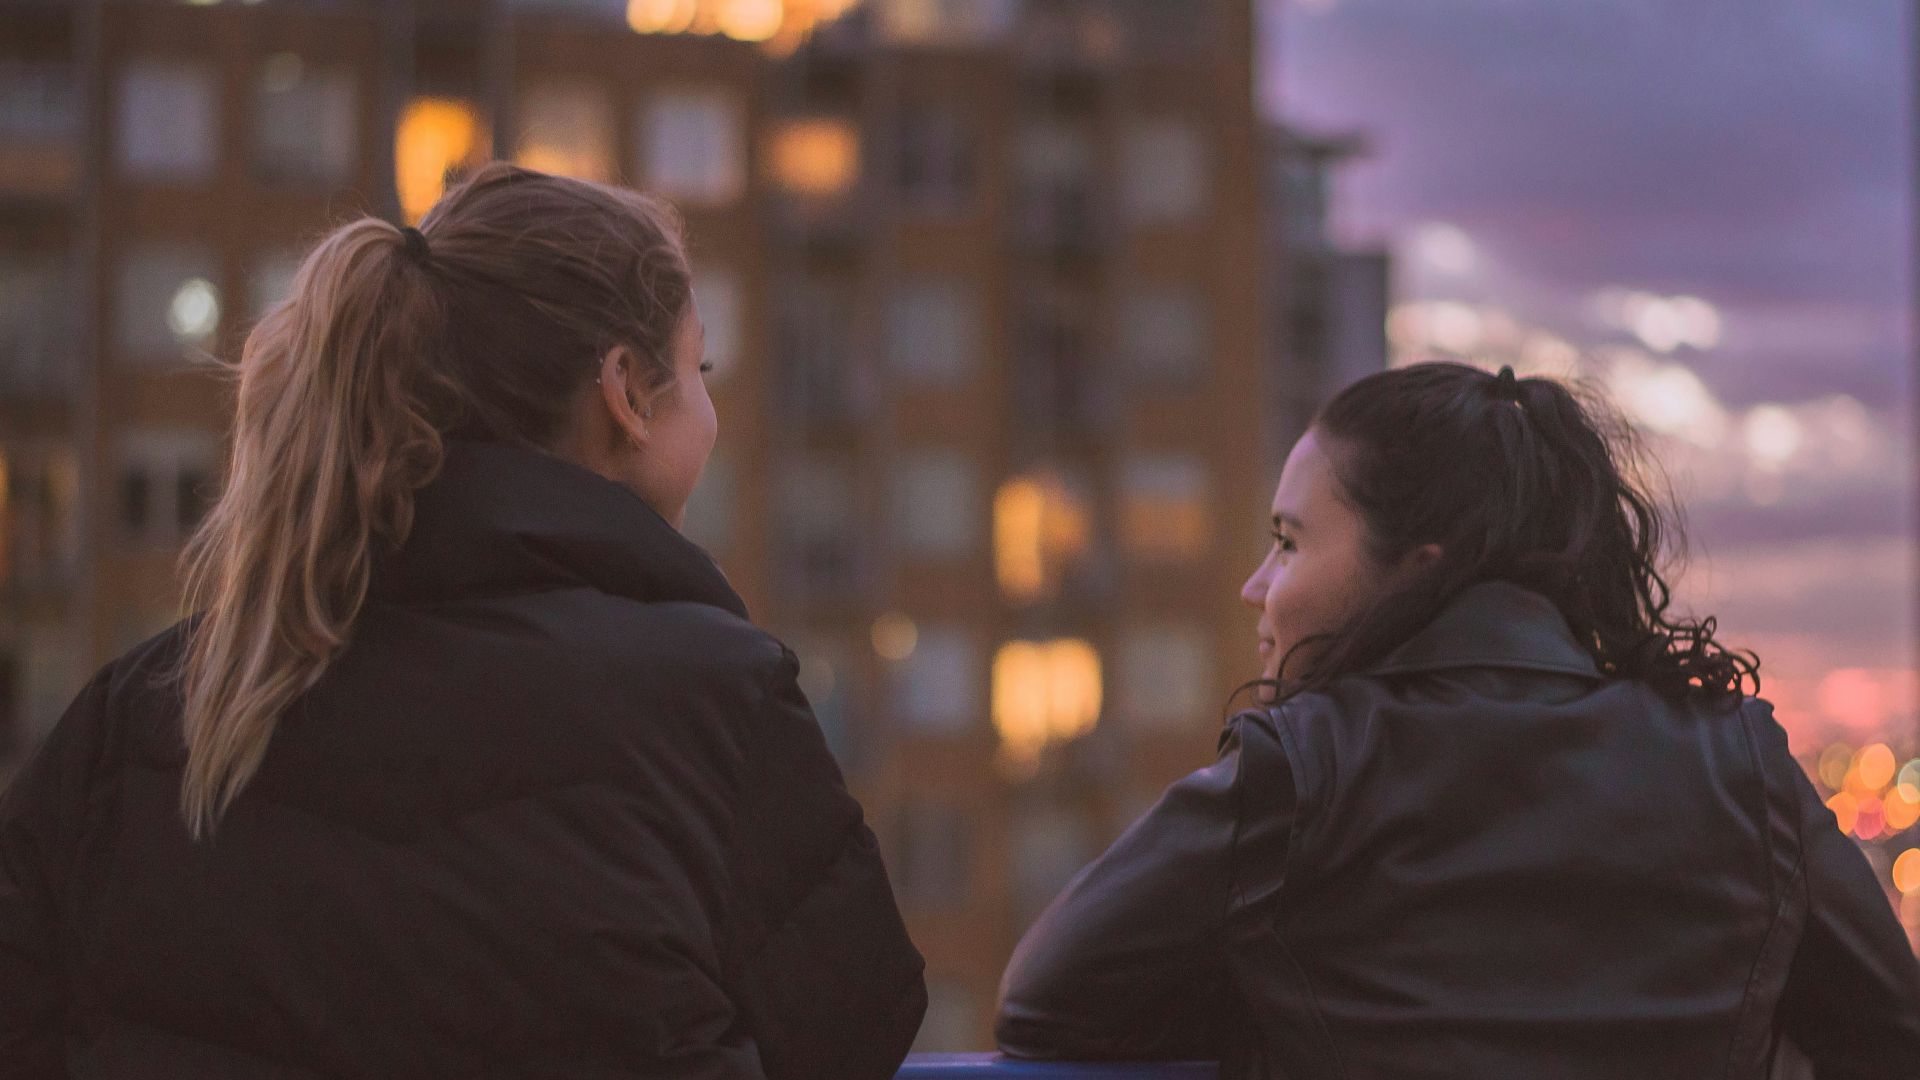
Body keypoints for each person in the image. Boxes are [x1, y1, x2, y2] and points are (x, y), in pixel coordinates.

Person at [0, 163, 925, 1079]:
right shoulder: (722, 705)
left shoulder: (144, 710)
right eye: (699, 368)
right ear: (627, 395)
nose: (713, 411)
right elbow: (857, 1025)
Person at [996, 362, 1920, 1077]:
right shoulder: (1738, 763)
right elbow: (1890, 1032)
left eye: (1288, 542)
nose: (1256, 587)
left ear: (1419, 567)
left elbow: (1046, 1006)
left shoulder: (1301, 770)